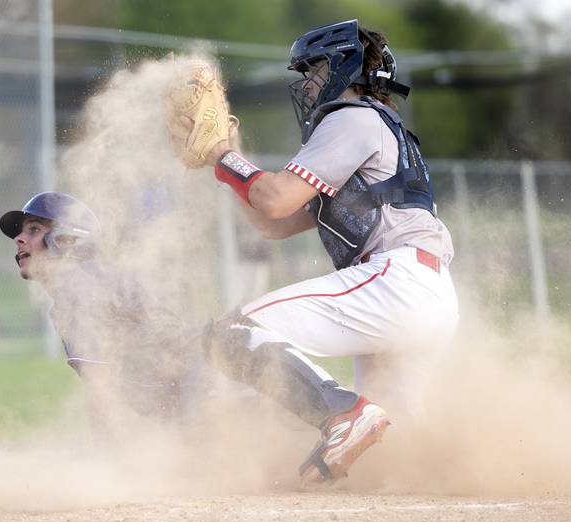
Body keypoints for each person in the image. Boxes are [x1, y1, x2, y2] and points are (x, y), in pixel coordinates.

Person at [192, 20, 460, 486]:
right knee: (393, 458)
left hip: (395, 282)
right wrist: (228, 155)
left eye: (313, 70)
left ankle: (341, 412)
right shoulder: (375, 126)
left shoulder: (351, 117)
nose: (308, 84)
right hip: (424, 295)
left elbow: (274, 197)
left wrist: (222, 157)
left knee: (236, 332)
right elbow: (274, 221)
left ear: (344, 68)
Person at [0, 192, 204, 437]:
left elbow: (103, 391)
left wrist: (106, 463)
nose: (19, 239)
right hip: (190, 403)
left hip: (199, 405)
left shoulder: (79, 288)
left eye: (33, 229)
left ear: (66, 239)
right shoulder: (86, 282)